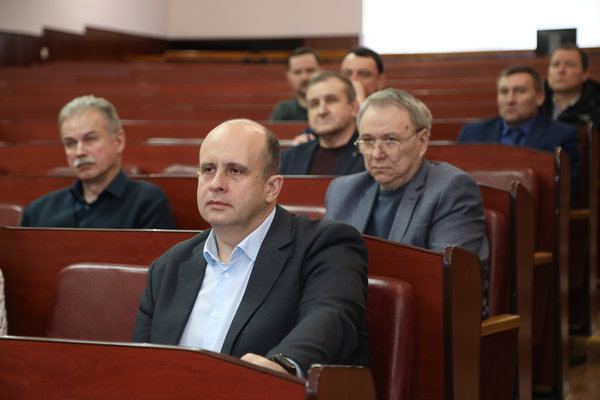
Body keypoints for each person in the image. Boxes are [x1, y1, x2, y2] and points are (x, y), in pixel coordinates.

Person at [132, 119, 369, 377]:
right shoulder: (168, 266)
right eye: (209, 169)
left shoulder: (324, 244)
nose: (216, 184)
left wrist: (282, 366)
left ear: (271, 188)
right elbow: (138, 365)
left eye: (235, 171)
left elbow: (329, 317)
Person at [325, 89, 489, 317]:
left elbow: (446, 286)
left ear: (422, 141)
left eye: (390, 140)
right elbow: (326, 271)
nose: (376, 153)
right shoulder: (342, 190)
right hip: (354, 316)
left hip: (425, 321)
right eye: (368, 140)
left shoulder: (452, 189)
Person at [20, 95, 176, 228]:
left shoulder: (147, 202)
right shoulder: (37, 212)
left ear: (118, 141)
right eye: (71, 143)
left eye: (90, 139)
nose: (80, 152)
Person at [458, 64, 581, 198]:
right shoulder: (472, 133)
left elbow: (562, 196)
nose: (510, 100)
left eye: (520, 91)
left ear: (540, 98)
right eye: (504, 92)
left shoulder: (562, 136)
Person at [280, 71, 364, 175]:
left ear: (353, 107)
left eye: (331, 101)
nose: (322, 111)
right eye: (314, 104)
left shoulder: (370, 155)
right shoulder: (289, 158)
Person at [539, 43, 600, 129]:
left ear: (585, 74)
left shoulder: (596, 107)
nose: (561, 70)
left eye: (570, 65)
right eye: (555, 64)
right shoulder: (532, 102)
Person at [269, 47, 322, 122]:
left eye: (310, 70)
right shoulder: (283, 111)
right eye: (297, 72)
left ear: (321, 72)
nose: (304, 77)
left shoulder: (335, 107)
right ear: (288, 77)